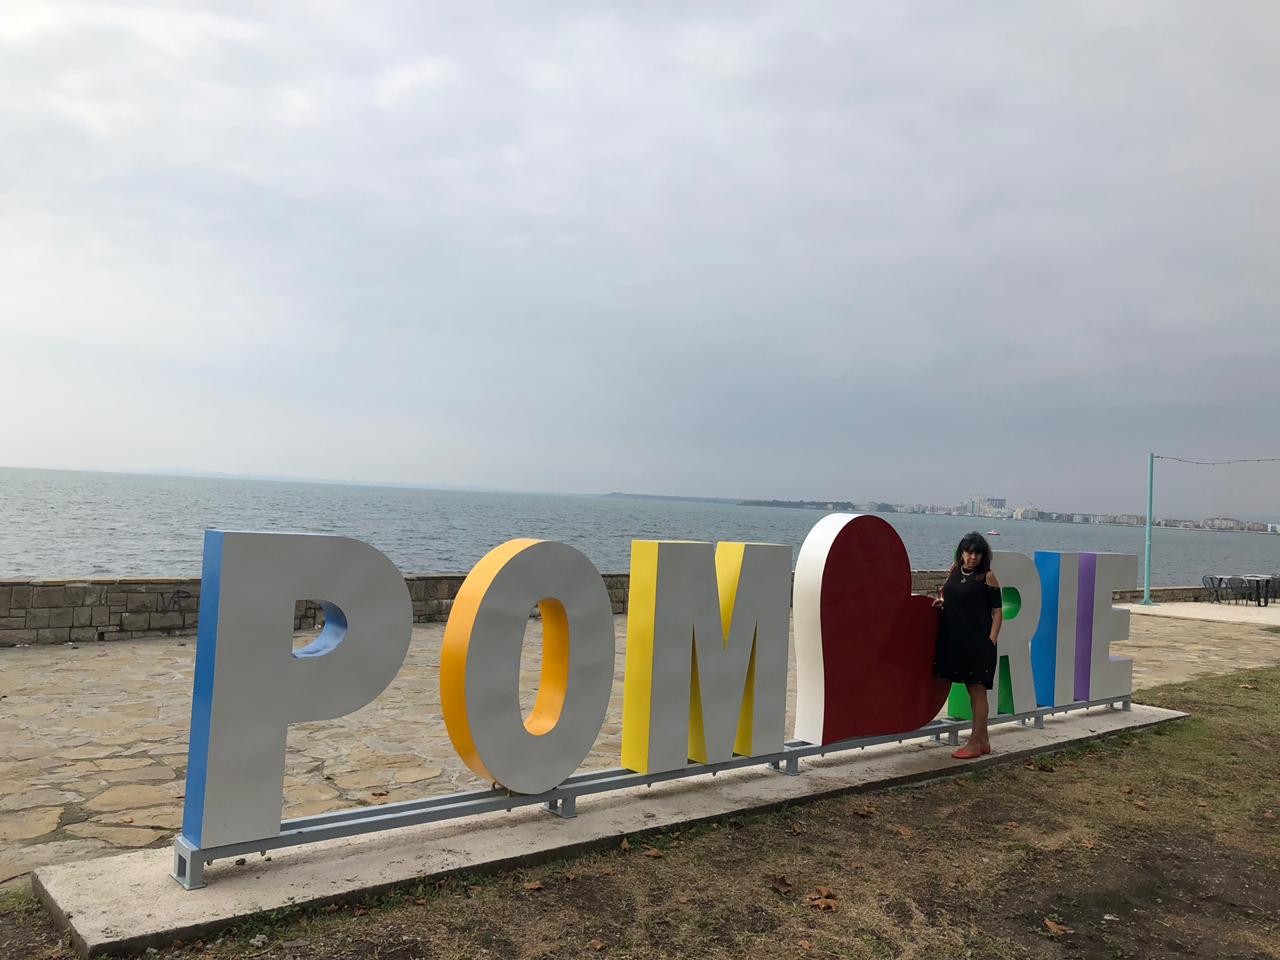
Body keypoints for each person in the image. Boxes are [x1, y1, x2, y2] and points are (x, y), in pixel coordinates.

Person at [932, 532, 1004, 760]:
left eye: (977, 553)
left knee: (977, 692)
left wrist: (991, 641)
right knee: (971, 690)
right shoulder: (954, 570)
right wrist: (943, 602)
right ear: (961, 553)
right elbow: (952, 595)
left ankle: (973, 744)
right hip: (956, 641)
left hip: (978, 643)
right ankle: (983, 741)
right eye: (969, 552)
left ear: (983, 556)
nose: (972, 557)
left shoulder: (987, 577)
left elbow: (997, 612)